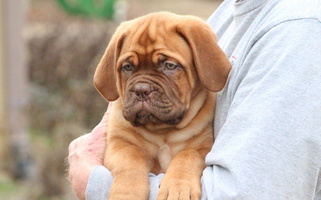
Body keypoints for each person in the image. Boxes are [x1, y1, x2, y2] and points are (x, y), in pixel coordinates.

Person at [68, 0, 321, 199]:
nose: (142, 87)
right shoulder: (230, 12)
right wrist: (125, 175)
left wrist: (98, 186)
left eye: (168, 65)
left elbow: (250, 193)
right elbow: (119, 144)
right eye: (128, 67)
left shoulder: (297, 27)